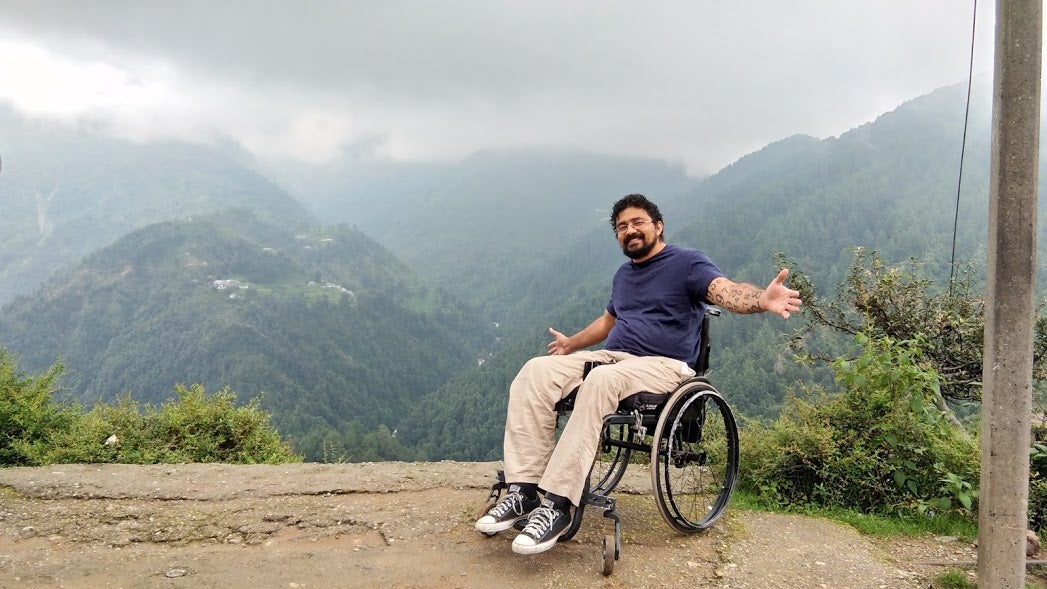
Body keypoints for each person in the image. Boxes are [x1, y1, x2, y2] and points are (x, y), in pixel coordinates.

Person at [474, 193, 802, 555]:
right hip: (615, 357)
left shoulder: (688, 263)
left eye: (637, 223)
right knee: (534, 371)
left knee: (601, 381)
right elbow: (608, 322)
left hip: (663, 367)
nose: (629, 231)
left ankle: (558, 505)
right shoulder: (624, 275)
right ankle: (522, 489)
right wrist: (571, 344)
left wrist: (761, 300)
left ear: (658, 226)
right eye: (621, 227)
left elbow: (724, 292)